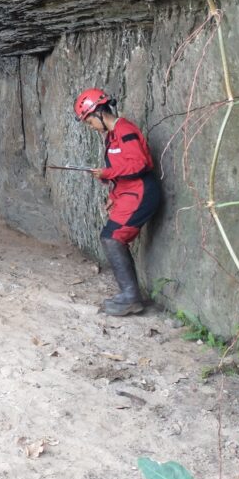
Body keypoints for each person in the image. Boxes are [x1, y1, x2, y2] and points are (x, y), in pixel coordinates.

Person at [74, 88, 160, 316]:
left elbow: (139, 164)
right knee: (110, 237)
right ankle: (129, 295)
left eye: (90, 121)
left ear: (99, 113)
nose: (91, 126)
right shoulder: (112, 137)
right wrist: (113, 196)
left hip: (142, 192)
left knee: (112, 238)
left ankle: (131, 298)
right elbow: (123, 172)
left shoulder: (125, 130)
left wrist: (107, 172)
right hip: (130, 193)